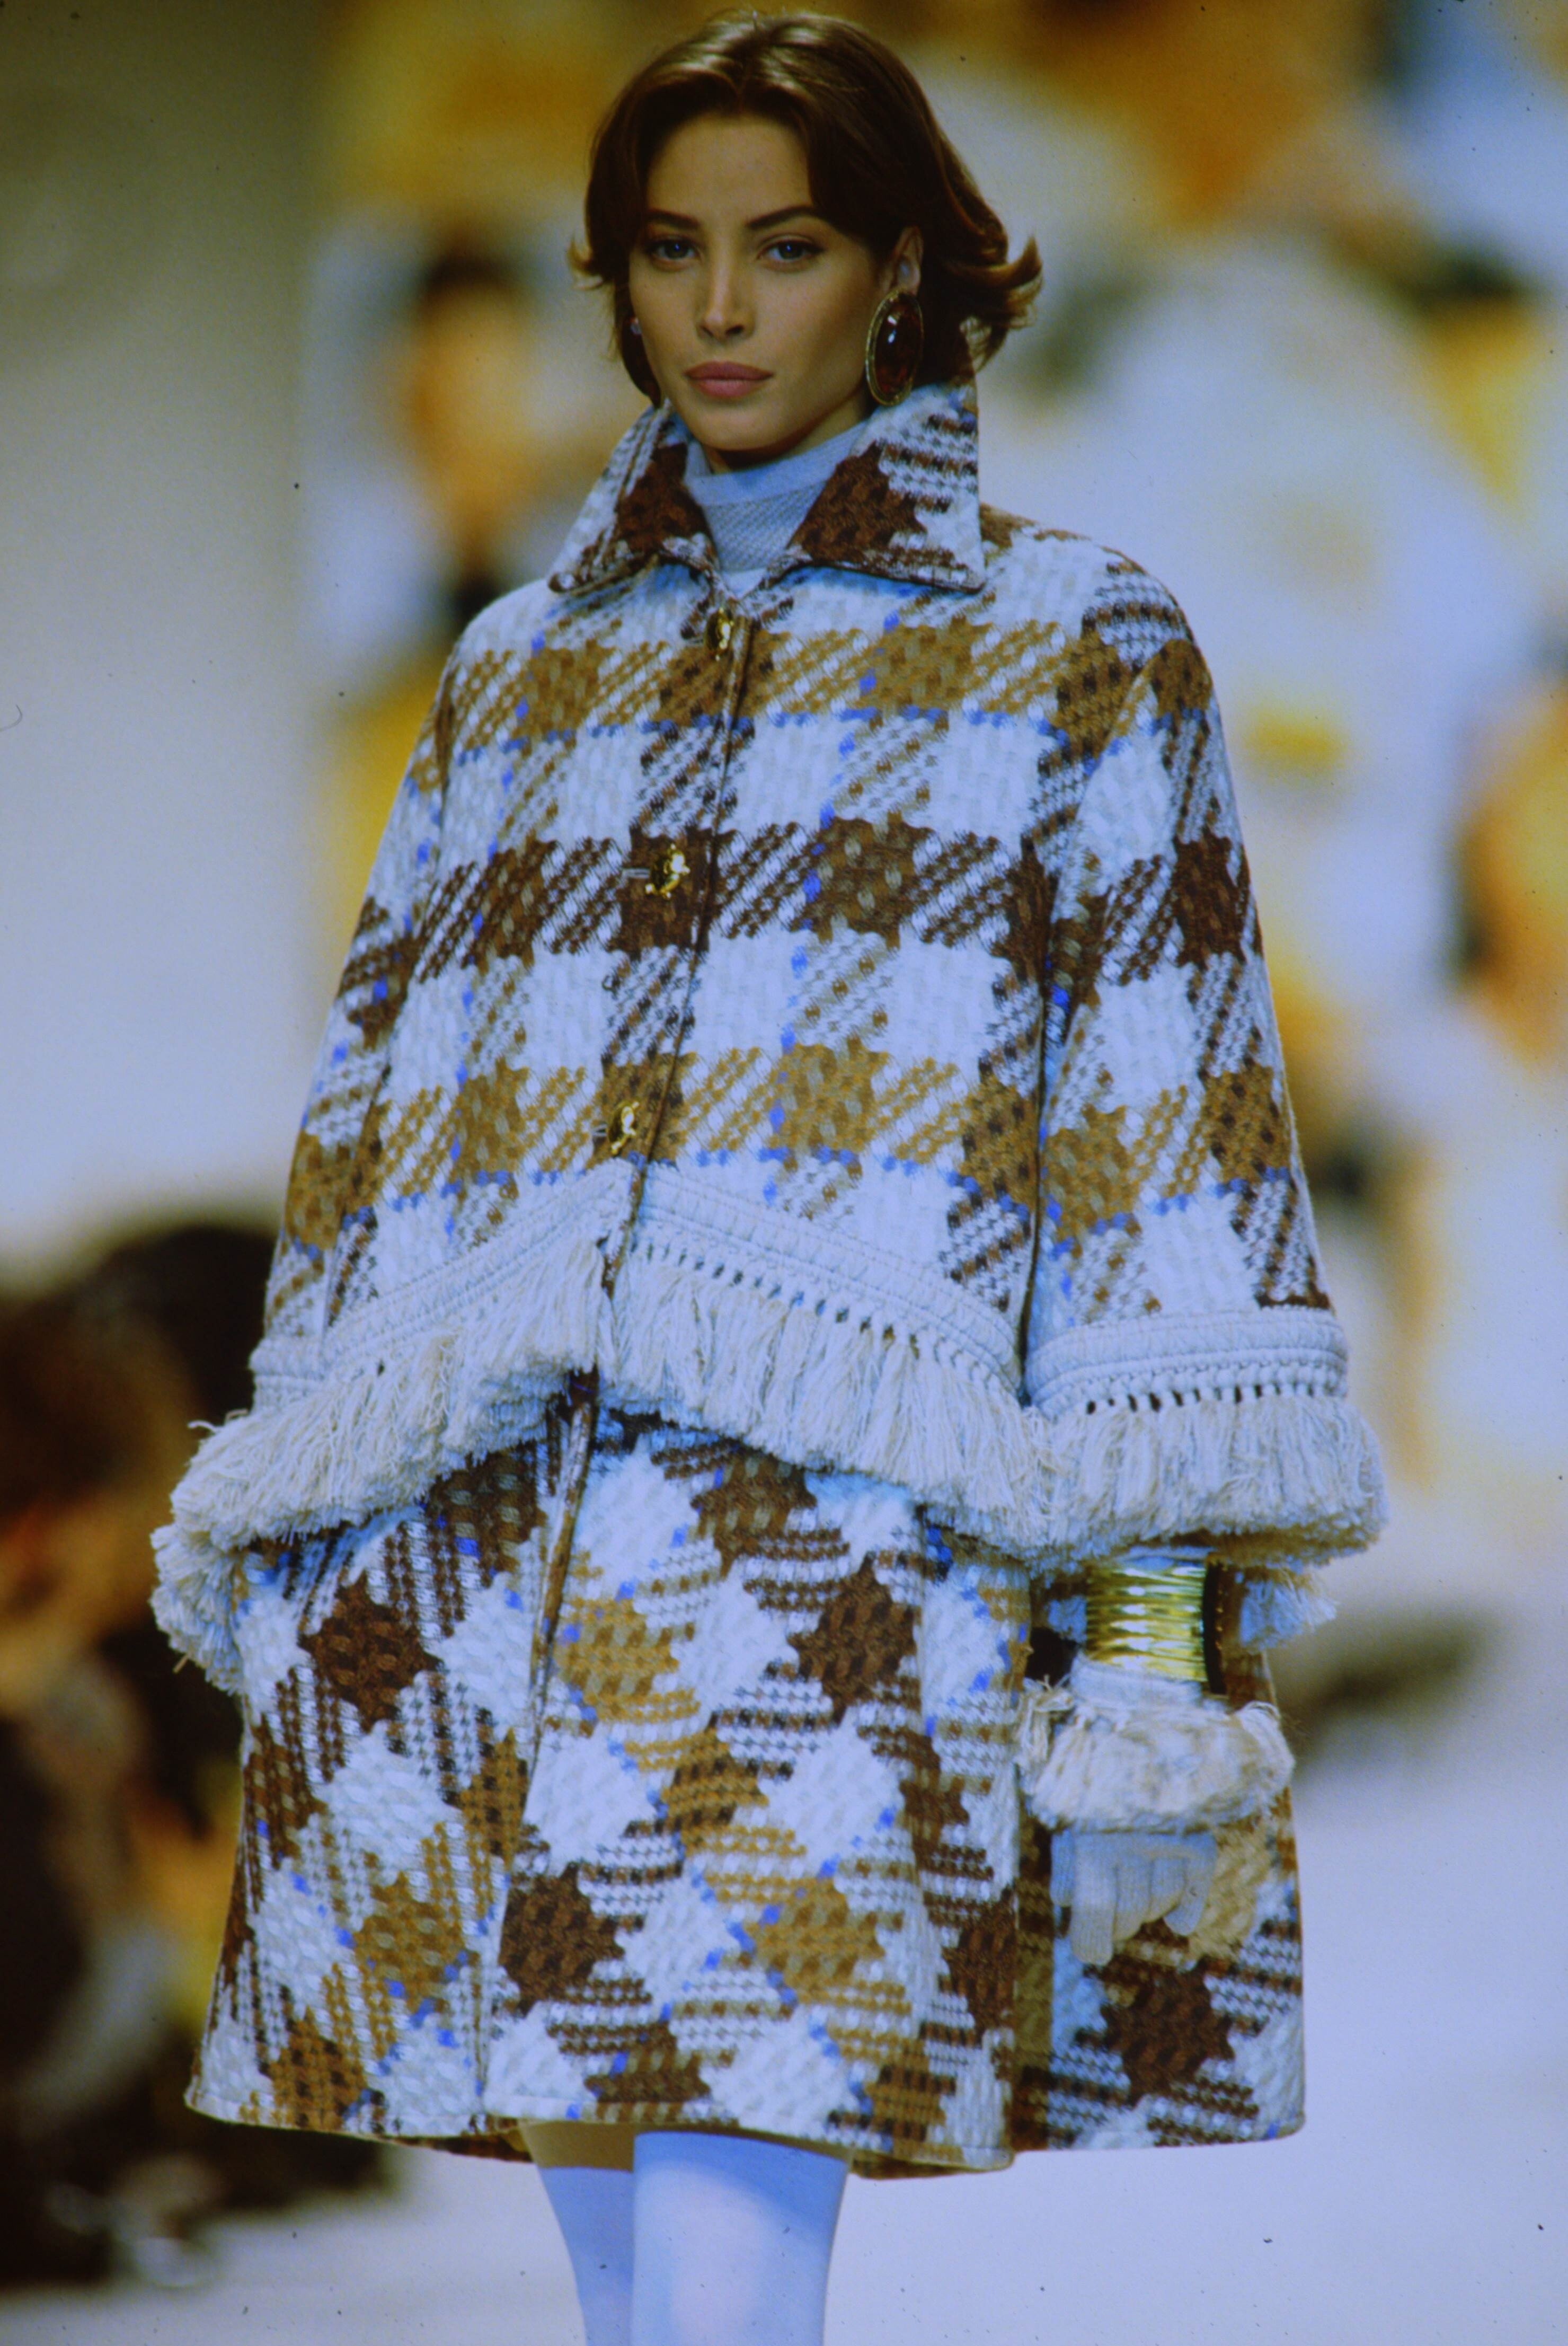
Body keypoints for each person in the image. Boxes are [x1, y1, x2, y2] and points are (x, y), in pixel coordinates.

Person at [153, 16, 1385, 2344]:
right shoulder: (516, 672)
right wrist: (306, 1537)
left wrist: (1148, 1647)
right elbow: (379, 1131)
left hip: (834, 1578)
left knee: (726, 2279)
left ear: (903, 266)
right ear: (613, 277)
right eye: (667, 250)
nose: (719, 310)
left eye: (787, 248)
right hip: (490, 1567)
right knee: (636, 2283)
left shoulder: (1071, 645)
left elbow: (1168, 1148)